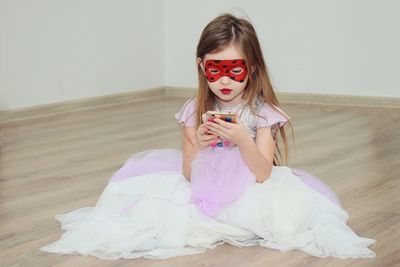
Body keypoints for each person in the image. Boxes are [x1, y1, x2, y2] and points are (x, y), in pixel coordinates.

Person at [41, 13, 375, 260]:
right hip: (204, 185)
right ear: (202, 66)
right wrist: (198, 144)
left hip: (251, 187)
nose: (225, 80)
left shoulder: (262, 113)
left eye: (235, 69)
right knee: (153, 212)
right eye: (216, 69)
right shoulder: (193, 109)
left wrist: (243, 138)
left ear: (253, 67)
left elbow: (262, 174)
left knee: (283, 216)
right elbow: (188, 173)